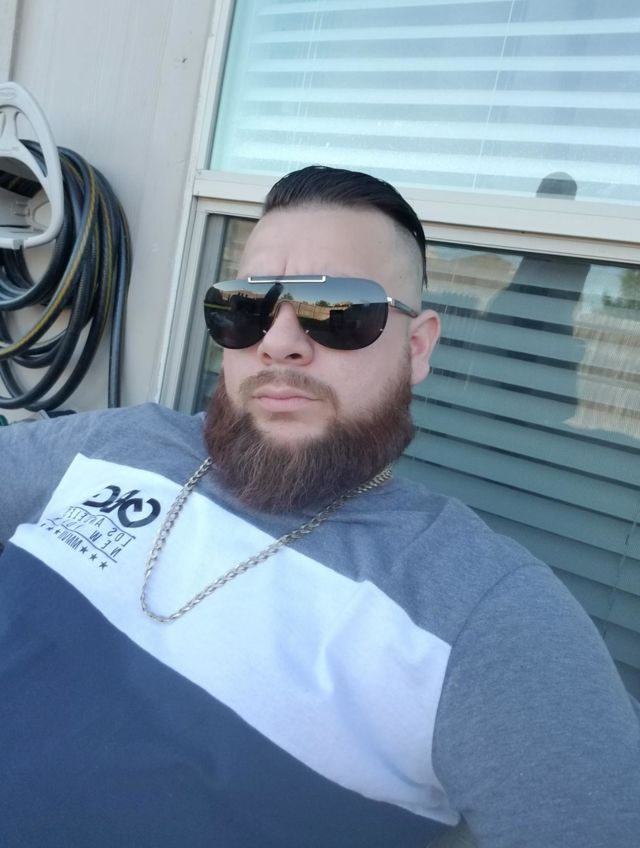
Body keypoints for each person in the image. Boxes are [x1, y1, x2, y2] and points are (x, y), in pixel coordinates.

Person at [0, 165, 638, 848]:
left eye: (336, 310)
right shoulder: (120, 439)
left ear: (416, 347)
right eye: (246, 306)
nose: (276, 343)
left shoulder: (484, 615)